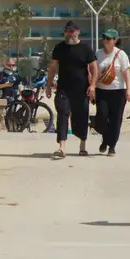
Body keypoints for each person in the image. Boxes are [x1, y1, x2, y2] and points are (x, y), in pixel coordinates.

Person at [46, 21, 96, 159]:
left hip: (82, 89)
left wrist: (92, 86)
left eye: (72, 31)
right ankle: (62, 147)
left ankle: (82, 145)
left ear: (78, 31)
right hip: (63, 88)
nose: (69, 33)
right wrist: (49, 85)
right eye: (67, 31)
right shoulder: (59, 48)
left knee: (81, 116)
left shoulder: (86, 49)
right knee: (62, 114)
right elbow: (53, 67)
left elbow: (94, 67)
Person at [93, 29, 130, 156]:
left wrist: (129, 90)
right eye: (104, 37)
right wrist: (92, 87)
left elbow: (126, 73)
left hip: (118, 91)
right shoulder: (98, 54)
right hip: (101, 91)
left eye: (108, 38)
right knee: (102, 118)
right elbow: (93, 72)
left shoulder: (121, 54)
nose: (105, 40)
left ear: (115, 40)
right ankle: (105, 139)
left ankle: (111, 146)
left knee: (116, 120)